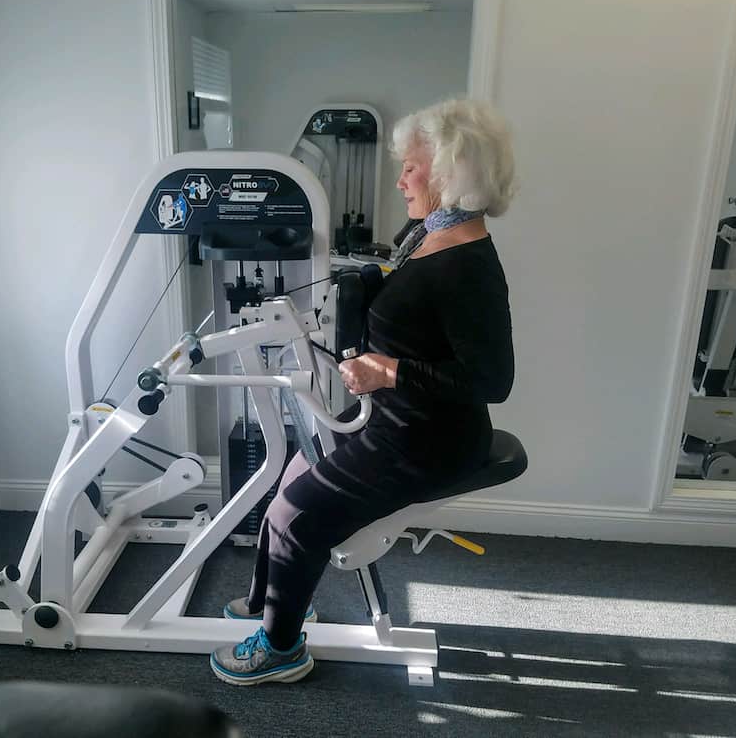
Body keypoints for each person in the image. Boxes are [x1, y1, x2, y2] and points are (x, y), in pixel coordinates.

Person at [210, 98, 517, 686]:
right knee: (289, 483)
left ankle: (279, 649)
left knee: (298, 516)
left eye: (411, 167)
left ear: (452, 175)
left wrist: (390, 371)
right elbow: (411, 296)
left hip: (427, 440)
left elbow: (492, 381)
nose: (400, 178)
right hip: (391, 420)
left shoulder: (467, 266)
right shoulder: (430, 233)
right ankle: (270, 602)